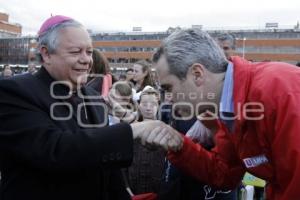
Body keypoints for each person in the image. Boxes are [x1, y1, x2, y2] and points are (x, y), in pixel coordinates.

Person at [0, 15, 182, 200]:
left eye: (89, 52)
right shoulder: (15, 91)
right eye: (75, 52)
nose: (86, 60)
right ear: (46, 54)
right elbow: (56, 150)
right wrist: (132, 130)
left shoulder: (93, 97)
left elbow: (108, 171)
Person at [152, 28, 300, 199]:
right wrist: (178, 144)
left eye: (168, 88)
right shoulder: (228, 109)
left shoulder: (279, 90)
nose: (168, 98)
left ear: (197, 74)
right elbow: (224, 174)